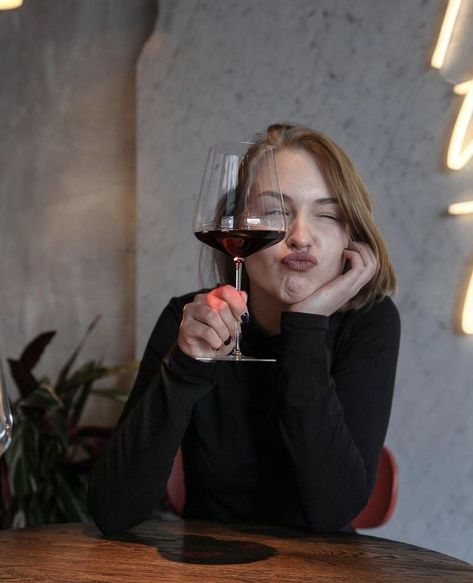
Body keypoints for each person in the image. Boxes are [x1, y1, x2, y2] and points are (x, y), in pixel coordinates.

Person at [88, 123, 400, 535]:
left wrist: (306, 325)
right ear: (236, 227)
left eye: (327, 214)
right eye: (275, 213)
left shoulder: (369, 322)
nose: (300, 237)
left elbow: (331, 510)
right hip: (206, 567)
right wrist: (186, 365)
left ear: (351, 234)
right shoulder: (191, 319)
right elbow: (112, 511)